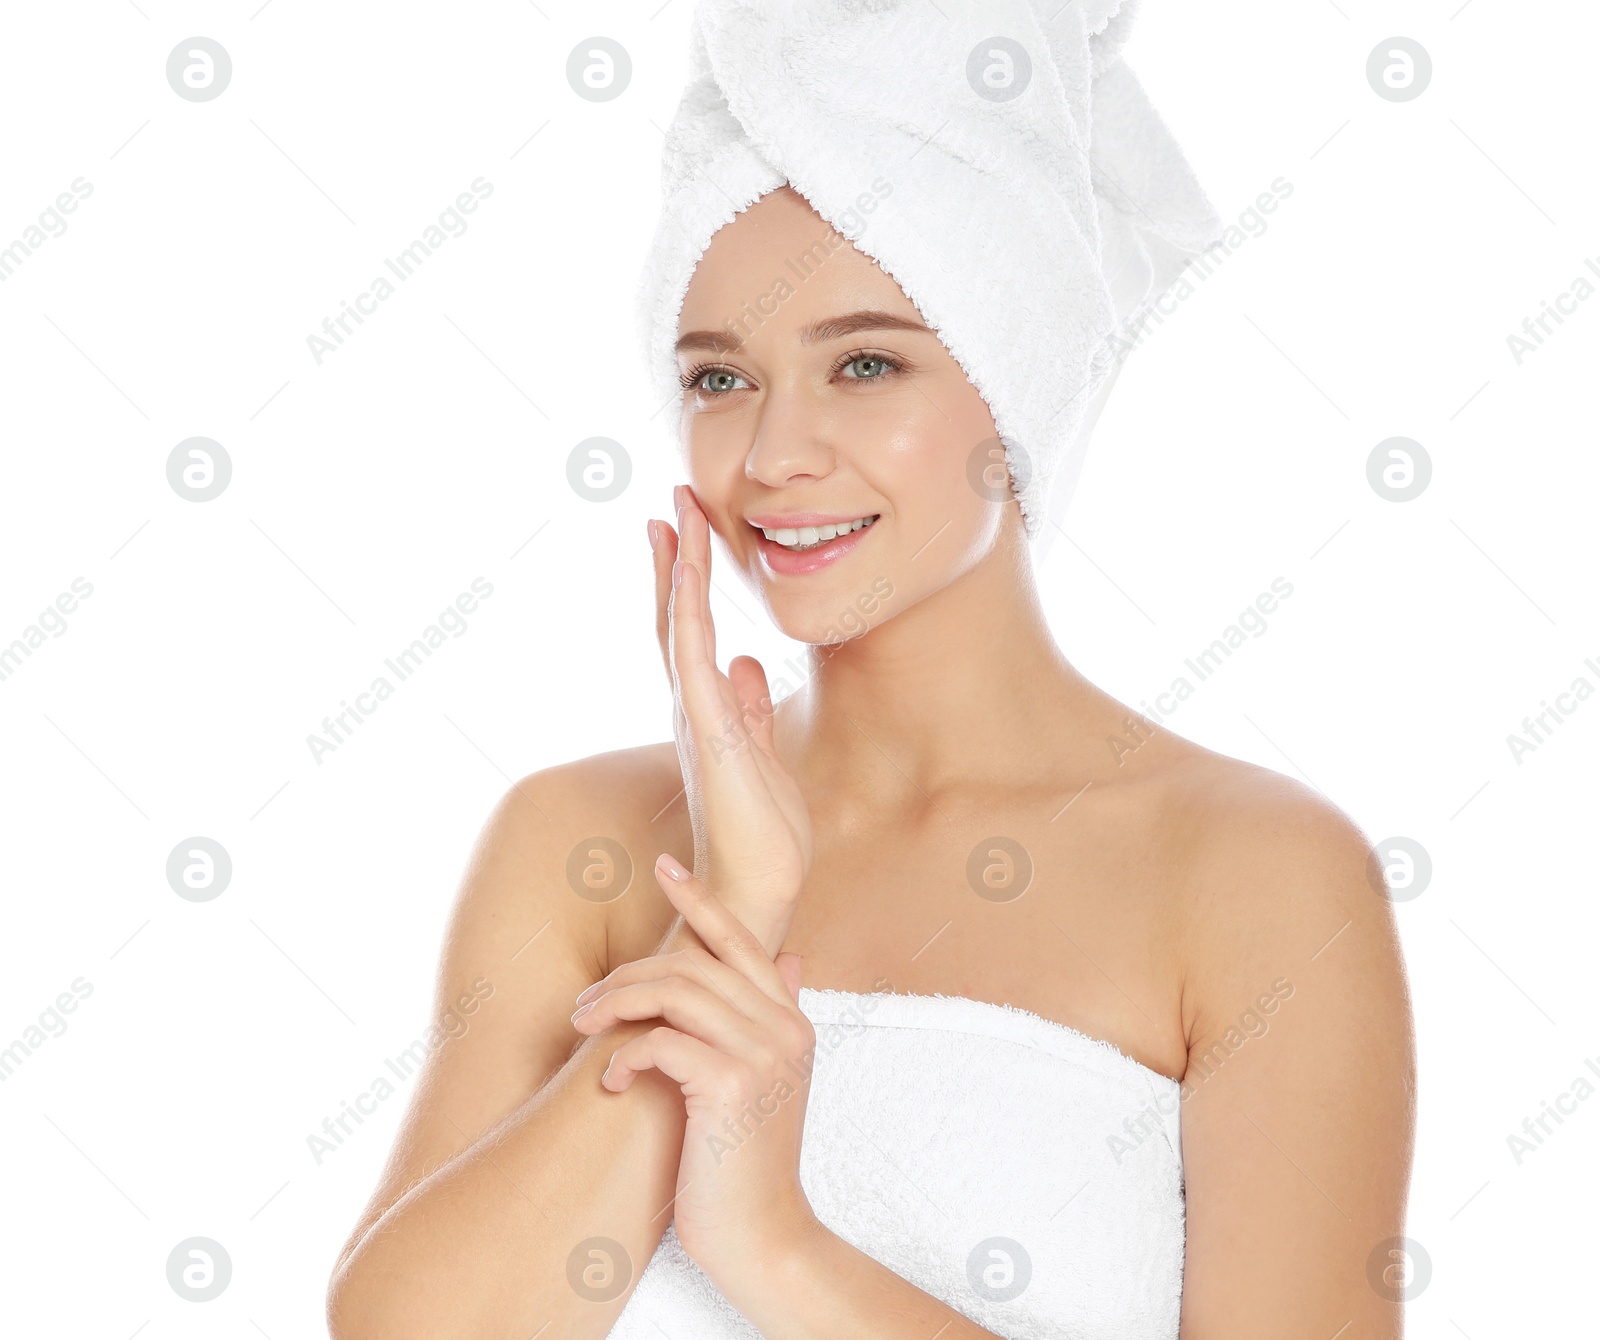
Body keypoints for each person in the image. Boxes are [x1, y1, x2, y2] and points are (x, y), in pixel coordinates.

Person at [327, 7, 1415, 1338]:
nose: (776, 452)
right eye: (720, 379)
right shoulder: (585, 843)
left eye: (863, 362)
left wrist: (776, 1246)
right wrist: (729, 911)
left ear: (1015, 381)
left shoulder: (1255, 873)